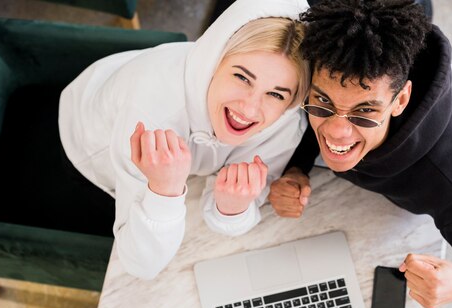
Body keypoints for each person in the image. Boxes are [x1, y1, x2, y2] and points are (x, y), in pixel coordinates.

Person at [269, 0, 452, 308]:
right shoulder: (325, 52)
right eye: (322, 103)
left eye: (365, 112)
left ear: (400, 100)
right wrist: (297, 167)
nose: (336, 132)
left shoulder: (451, 179)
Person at [58, 0, 310, 280]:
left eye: (276, 94)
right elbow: (141, 265)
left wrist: (231, 207)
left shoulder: (285, 121)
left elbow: (240, 214)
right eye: (241, 77)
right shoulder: (149, 113)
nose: (250, 109)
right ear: (214, 62)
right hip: (87, 147)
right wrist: (165, 189)